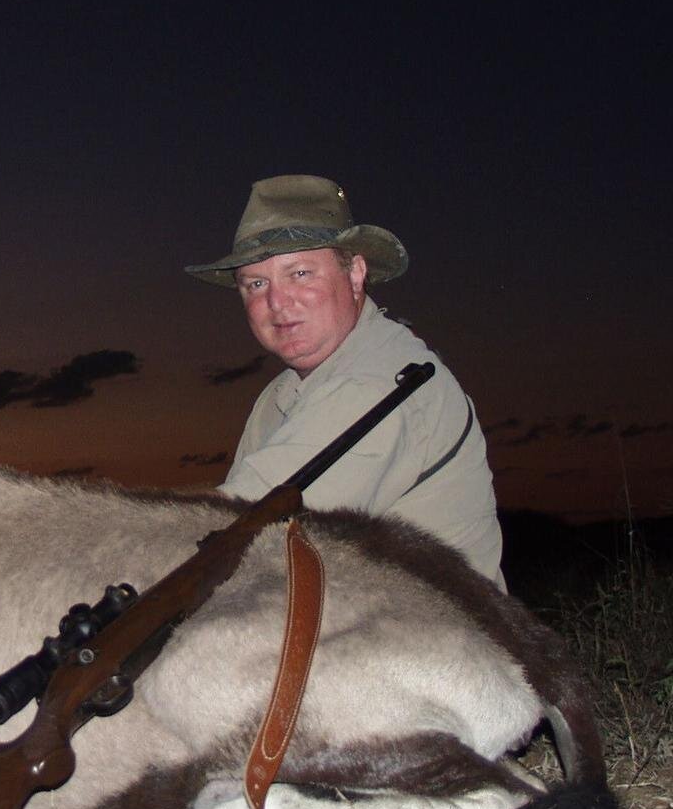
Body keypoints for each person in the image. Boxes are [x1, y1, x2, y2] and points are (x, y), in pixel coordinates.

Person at [186, 174, 506, 587]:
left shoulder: (383, 380)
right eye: (256, 284)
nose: (277, 303)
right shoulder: (279, 395)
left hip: (428, 644)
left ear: (356, 273)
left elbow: (235, 534)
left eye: (300, 273)